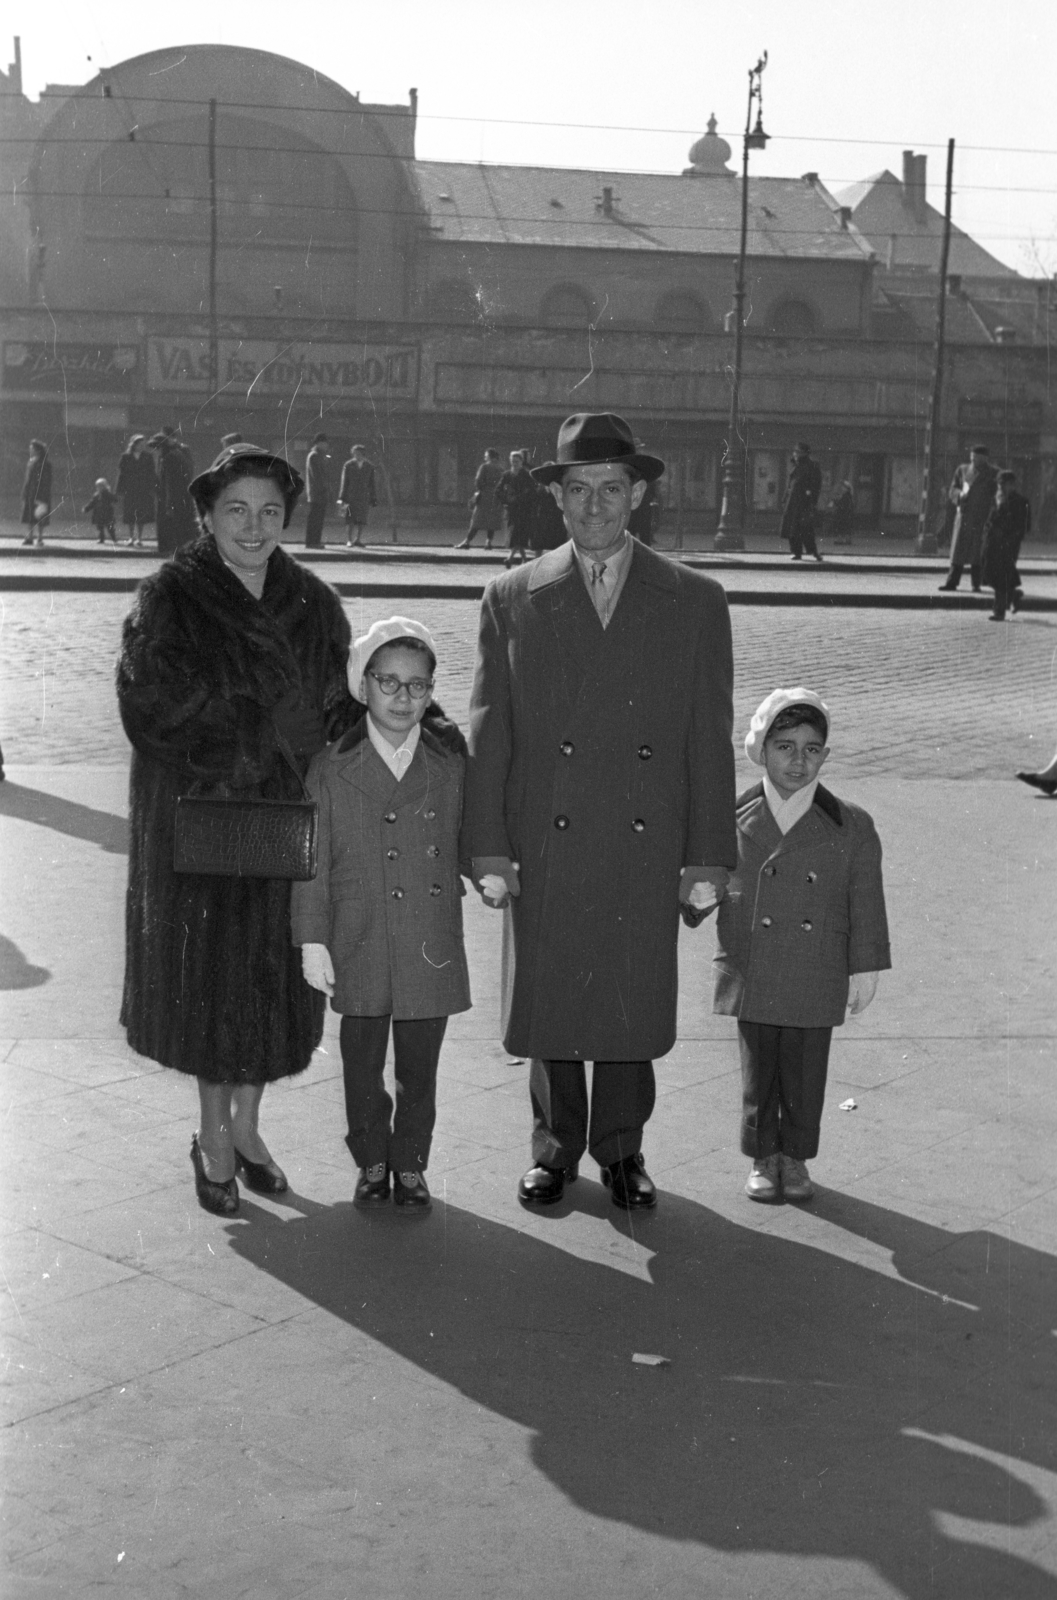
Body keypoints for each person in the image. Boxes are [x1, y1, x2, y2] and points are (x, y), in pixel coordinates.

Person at [462, 411, 736, 1212]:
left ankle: (623, 1151)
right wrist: (486, 847)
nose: (593, 507)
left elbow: (706, 737)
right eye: (577, 490)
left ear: (638, 492)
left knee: (626, 999)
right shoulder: (511, 596)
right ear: (556, 498)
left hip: (643, 840)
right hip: (546, 838)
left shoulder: (693, 599)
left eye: (610, 489)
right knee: (550, 1000)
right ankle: (554, 1150)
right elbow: (491, 730)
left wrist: (707, 855)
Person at [117, 442, 356, 1216]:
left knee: (271, 981)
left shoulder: (315, 602)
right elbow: (148, 707)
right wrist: (261, 733)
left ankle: (249, 1130)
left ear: (287, 517)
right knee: (209, 984)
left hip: (284, 828)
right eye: (236, 511)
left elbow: (338, 707)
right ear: (207, 516)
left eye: (269, 513)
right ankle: (211, 1135)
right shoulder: (169, 596)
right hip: (197, 824)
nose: (253, 528)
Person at [292, 617, 471, 1214]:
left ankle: (411, 1163)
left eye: (418, 685)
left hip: (427, 934)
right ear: (361, 685)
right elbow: (313, 863)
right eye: (388, 682)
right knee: (362, 1060)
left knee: (420, 1062)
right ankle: (372, 1156)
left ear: (431, 690)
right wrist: (312, 939)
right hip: (359, 933)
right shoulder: (331, 766)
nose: (402, 698)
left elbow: (472, 834)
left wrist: (493, 869)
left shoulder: (448, 764)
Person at [713, 689, 891, 1203]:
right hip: (756, 964)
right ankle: (762, 1155)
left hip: (816, 966)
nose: (798, 760)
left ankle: (795, 1157)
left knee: (807, 1069)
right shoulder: (731, 817)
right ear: (759, 749)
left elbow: (866, 901)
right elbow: (705, 883)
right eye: (785, 746)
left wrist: (866, 968)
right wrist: (699, 897)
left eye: (812, 749)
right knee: (759, 1066)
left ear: (827, 757)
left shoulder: (851, 824)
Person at [939, 445, 996, 592]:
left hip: (982, 518)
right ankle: (952, 583)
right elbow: (953, 488)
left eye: (976, 458)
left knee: (977, 553)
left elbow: (998, 495)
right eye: (972, 458)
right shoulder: (962, 470)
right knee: (958, 552)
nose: (973, 461)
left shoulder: (993, 473)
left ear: (985, 459)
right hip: (964, 516)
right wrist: (959, 495)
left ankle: (976, 585)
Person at [981, 470, 1031, 621]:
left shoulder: (1021, 501)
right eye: (999, 484)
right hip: (992, 544)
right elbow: (989, 520)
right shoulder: (995, 499)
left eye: (1004, 484)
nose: (1001, 487)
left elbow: (1024, 526)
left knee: (1001, 577)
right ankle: (1014, 595)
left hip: (1008, 544)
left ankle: (999, 611)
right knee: (990, 574)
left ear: (1012, 485)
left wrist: (1012, 539)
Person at [150, 427, 196, 555]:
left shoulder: (169, 458)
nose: (155, 450)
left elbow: (169, 483)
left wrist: (169, 503)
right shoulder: (175, 454)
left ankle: (170, 550)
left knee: (171, 525)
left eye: (156, 447)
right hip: (180, 496)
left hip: (171, 497)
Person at [779, 443, 823, 562]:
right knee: (792, 529)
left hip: (803, 502)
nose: (795, 453)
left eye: (798, 451)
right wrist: (784, 499)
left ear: (804, 453)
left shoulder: (812, 466)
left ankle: (814, 552)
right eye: (795, 451)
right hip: (792, 502)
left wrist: (812, 501)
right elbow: (790, 485)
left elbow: (816, 486)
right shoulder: (795, 465)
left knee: (805, 529)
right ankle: (796, 552)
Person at [495, 451, 538, 567]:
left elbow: (532, 491)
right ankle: (522, 559)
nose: (514, 463)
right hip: (511, 509)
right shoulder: (507, 475)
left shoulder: (527, 475)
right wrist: (506, 500)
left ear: (521, 462)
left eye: (517, 461)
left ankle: (510, 558)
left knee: (516, 533)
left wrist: (521, 498)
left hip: (524, 509)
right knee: (515, 533)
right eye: (513, 461)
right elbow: (498, 490)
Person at [457, 448, 504, 550]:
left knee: (477, 520)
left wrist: (480, 490)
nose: (484, 457)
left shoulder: (484, 467)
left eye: (486, 455)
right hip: (496, 497)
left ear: (490, 456)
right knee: (491, 521)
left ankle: (467, 542)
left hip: (485, 496)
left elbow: (478, 481)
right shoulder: (501, 469)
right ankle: (488, 543)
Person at [115, 434, 156, 546]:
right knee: (130, 513)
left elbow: (151, 474)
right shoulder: (125, 457)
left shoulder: (148, 457)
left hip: (143, 490)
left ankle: (140, 538)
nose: (142, 446)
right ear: (134, 444)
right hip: (130, 490)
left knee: (141, 514)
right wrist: (119, 490)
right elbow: (121, 475)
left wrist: (153, 488)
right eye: (140, 444)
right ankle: (131, 538)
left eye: (143, 444)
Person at [337, 444, 377, 548]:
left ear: (363, 454)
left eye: (359, 453)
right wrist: (341, 497)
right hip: (350, 496)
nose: (357, 455)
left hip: (364, 496)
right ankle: (349, 540)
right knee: (350, 518)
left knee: (362, 519)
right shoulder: (348, 465)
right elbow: (344, 482)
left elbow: (372, 483)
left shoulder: (369, 466)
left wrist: (373, 497)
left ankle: (358, 539)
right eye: (355, 453)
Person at [20, 439, 52, 547]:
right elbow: (27, 479)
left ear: (38, 450)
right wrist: (25, 492)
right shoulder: (31, 462)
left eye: (32, 448)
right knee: (30, 515)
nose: (30, 450)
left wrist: (42, 496)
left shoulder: (45, 464)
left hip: (41, 495)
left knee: (40, 516)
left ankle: (40, 538)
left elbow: (47, 481)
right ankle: (29, 537)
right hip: (30, 493)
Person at [304, 433, 331, 549]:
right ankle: (312, 542)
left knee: (317, 519)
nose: (326, 445)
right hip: (317, 492)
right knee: (315, 519)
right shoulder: (315, 456)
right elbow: (317, 475)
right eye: (325, 443)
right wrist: (325, 488)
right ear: (319, 443)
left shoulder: (318, 455)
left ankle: (314, 541)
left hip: (317, 492)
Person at [627, 477, 661, 547]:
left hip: (638, 509)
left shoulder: (634, 479)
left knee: (638, 533)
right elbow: (654, 494)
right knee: (641, 534)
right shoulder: (648, 480)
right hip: (641, 509)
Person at [83, 478, 118, 544]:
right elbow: (92, 503)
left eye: (101, 486)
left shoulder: (108, 494)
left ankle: (114, 538)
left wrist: (114, 496)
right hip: (98, 514)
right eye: (98, 486)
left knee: (110, 527)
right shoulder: (96, 495)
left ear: (104, 486)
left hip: (108, 513)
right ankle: (101, 539)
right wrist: (86, 508)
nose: (99, 487)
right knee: (100, 528)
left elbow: (115, 500)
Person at [826, 479, 854, 546]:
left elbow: (842, 504)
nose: (842, 488)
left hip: (843, 514)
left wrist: (835, 502)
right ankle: (847, 539)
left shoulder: (846, 496)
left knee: (841, 527)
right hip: (846, 514)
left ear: (847, 489)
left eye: (844, 487)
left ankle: (841, 540)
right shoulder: (848, 496)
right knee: (845, 528)